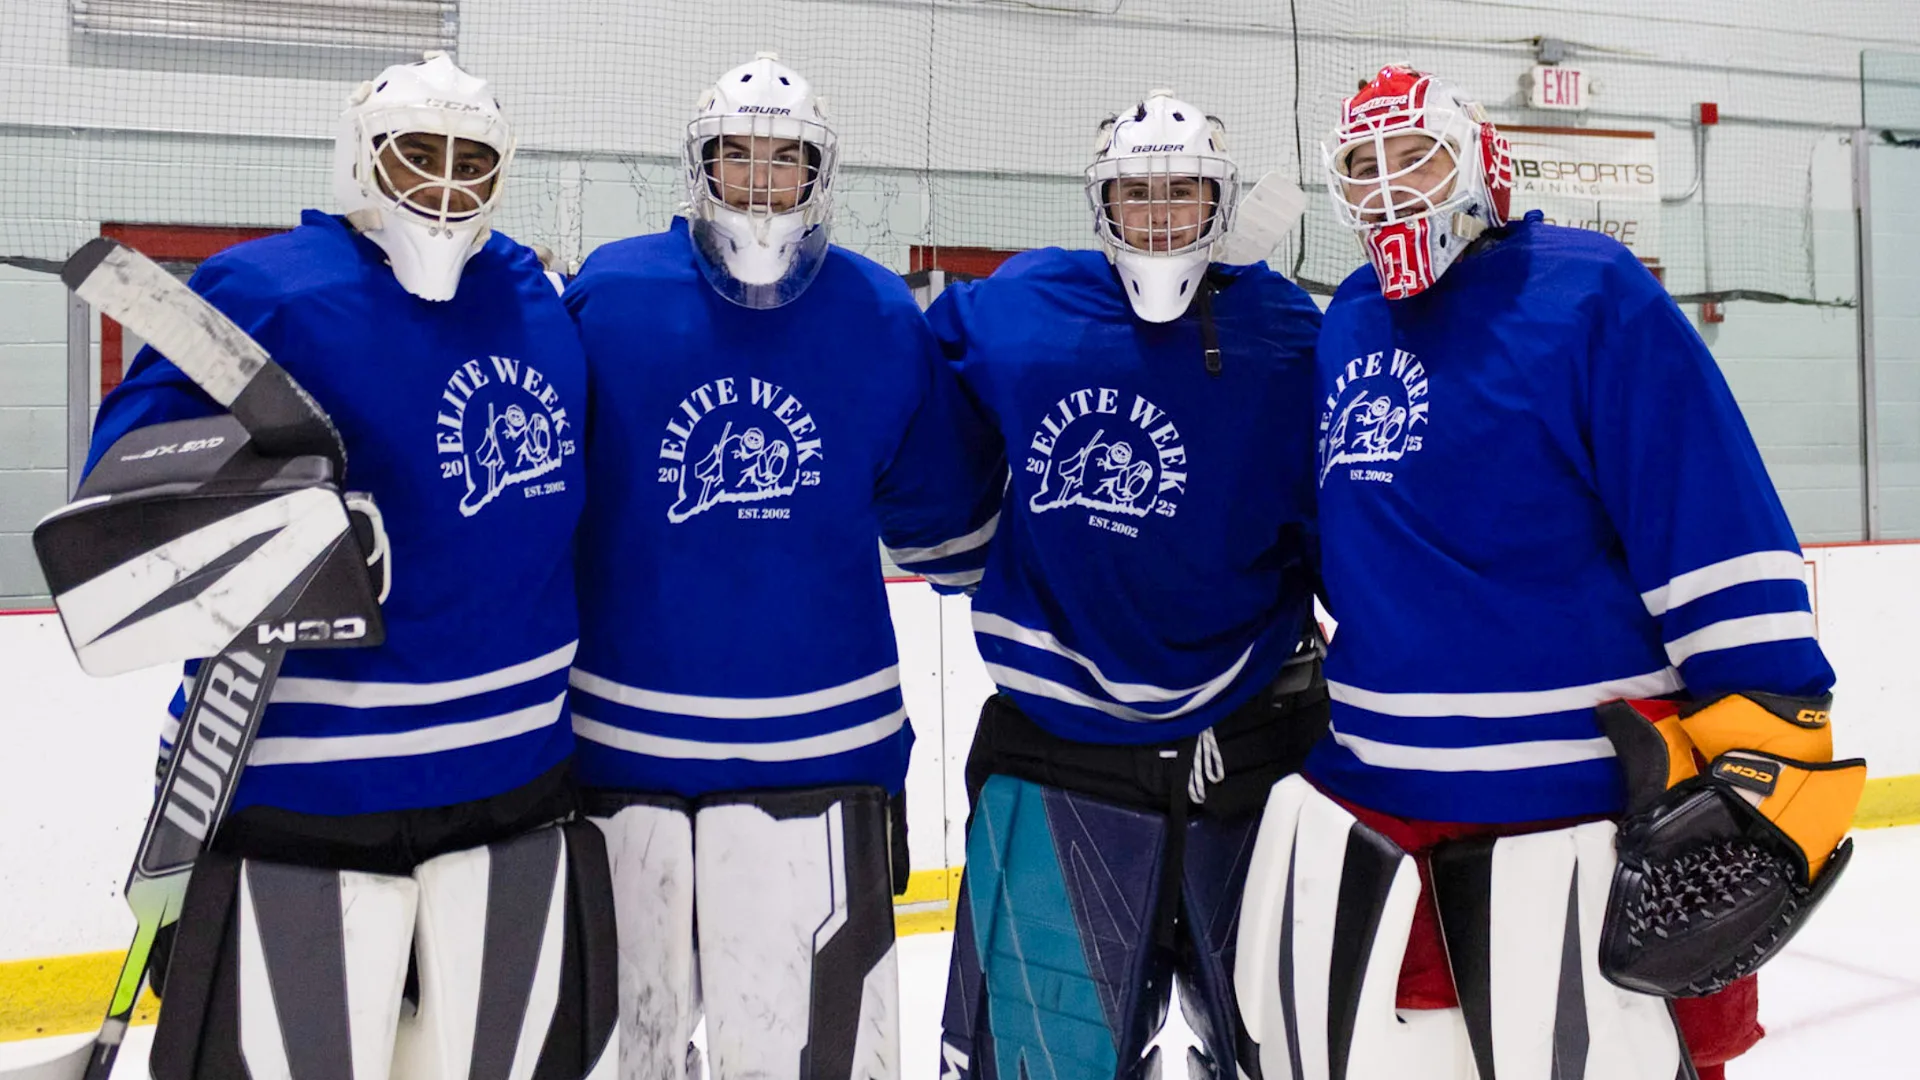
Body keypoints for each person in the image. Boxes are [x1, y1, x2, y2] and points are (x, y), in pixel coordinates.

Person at [1232, 64, 1865, 1080]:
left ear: (1480, 162)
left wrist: (1770, 721)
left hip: (1576, 816)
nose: (1390, 187)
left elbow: (1701, 507)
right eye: (1362, 164)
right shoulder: (1346, 319)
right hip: (1376, 810)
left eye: (1416, 155)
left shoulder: (1589, 290)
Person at [79, 52, 614, 1080]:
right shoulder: (261, 291)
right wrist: (277, 521)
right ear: (359, 159)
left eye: (472, 161)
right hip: (303, 799)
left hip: (518, 790)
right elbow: (125, 506)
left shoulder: (540, 297)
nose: (446, 186)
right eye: (418, 154)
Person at [562, 52, 1000, 1080]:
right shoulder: (609, 296)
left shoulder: (879, 314)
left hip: (827, 758)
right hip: (621, 756)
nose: (761, 183)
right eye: (738, 158)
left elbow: (943, 514)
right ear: (700, 167)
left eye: (784, 161)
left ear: (818, 174)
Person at [925, 91, 1327, 1080]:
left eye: (1182, 193)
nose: (1158, 216)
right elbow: (916, 398)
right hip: (1061, 756)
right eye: (1135, 194)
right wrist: (948, 537)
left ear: (1217, 201)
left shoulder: (1288, 327)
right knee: (1033, 1065)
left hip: (1254, 754)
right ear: (1100, 202)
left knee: (1296, 1052)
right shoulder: (1022, 304)